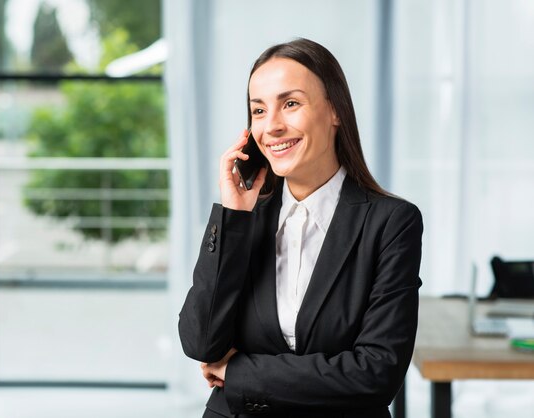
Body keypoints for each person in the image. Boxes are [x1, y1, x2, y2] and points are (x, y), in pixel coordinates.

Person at [178, 38, 423, 418]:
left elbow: (377, 374)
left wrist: (239, 371)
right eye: (258, 110)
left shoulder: (391, 223)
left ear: (335, 111)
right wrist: (232, 218)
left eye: (290, 104)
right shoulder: (247, 218)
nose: (271, 126)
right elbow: (201, 342)